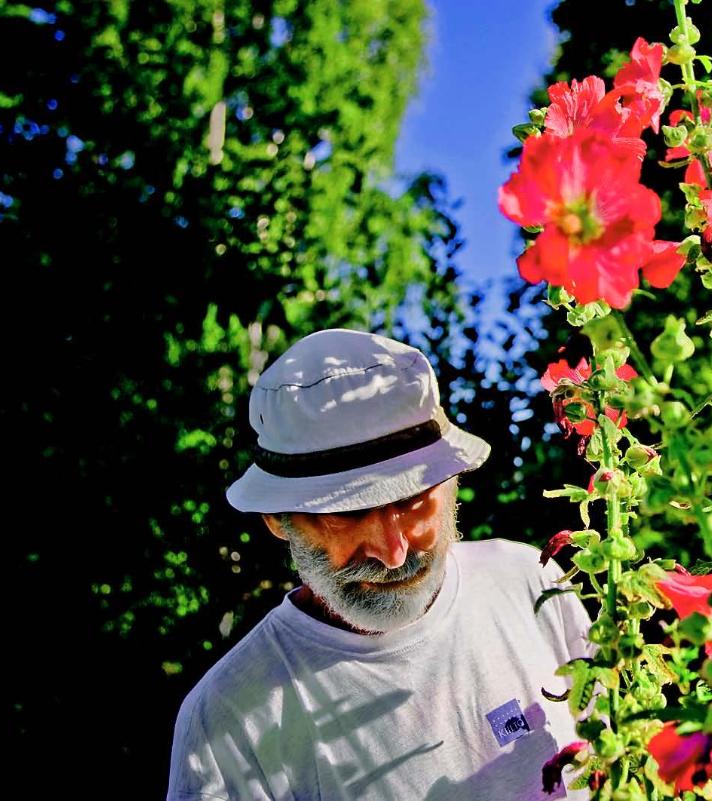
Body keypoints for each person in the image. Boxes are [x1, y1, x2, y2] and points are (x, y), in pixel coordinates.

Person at [166, 329, 593, 801]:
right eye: (347, 512)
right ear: (277, 520)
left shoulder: (530, 582)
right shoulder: (228, 719)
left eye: (413, 500)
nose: (394, 552)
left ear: (451, 483)